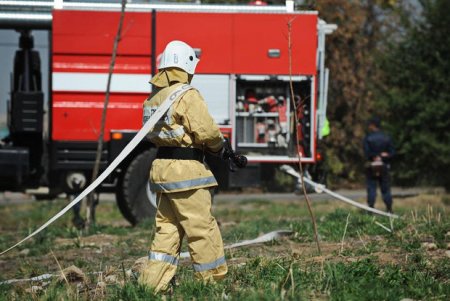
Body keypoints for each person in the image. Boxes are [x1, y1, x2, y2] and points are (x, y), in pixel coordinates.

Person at [138, 40, 227, 293]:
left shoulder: (154, 97)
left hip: (162, 171)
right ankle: (211, 285)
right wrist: (221, 148)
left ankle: (151, 287)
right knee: (201, 228)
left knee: (166, 231)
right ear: (186, 66)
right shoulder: (187, 95)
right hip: (187, 173)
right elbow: (207, 132)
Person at [363, 117, 395, 213]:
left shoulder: (368, 138)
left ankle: (371, 209)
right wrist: (383, 156)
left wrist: (374, 156)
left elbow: (367, 153)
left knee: (371, 188)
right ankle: (389, 209)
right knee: (385, 188)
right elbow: (392, 152)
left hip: (372, 166)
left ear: (372, 125)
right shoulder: (387, 137)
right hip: (384, 165)